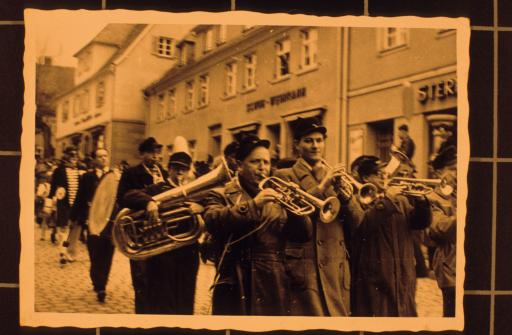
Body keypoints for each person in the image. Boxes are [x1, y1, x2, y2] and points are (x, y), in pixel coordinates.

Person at [204, 134, 310, 315]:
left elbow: (302, 235)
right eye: (255, 162)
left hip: (273, 281)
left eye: (267, 162)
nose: (263, 168)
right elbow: (213, 220)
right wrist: (253, 205)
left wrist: (296, 209)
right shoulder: (220, 194)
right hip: (235, 280)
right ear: (239, 165)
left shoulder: (279, 195)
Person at [274, 117, 363, 316]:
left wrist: (348, 200)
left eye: (319, 140)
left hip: (335, 268)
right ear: (297, 145)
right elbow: (293, 216)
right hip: (305, 268)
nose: (315, 145)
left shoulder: (337, 177)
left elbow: (358, 223)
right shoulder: (284, 175)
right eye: (308, 140)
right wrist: (323, 186)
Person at [117, 138, 201, 314]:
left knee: (185, 301)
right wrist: (149, 202)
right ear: (169, 169)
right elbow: (128, 195)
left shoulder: (196, 191)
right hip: (162, 256)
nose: (179, 173)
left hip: (187, 254)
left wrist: (201, 207)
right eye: (176, 168)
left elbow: (214, 207)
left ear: (189, 172)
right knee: (163, 302)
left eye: (183, 169)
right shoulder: (158, 189)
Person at [349, 155, 432, 317]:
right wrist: (388, 200)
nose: (384, 176)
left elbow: (419, 224)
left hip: (403, 276)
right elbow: (363, 227)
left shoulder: (400, 200)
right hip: (375, 280)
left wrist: (422, 202)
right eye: (378, 173)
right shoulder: (358, 200)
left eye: (385, 172)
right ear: (366, 177)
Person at [116, 137, 168, 313]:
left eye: (158, 152)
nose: (156, 156)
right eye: (152, 152)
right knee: (141, 278)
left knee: (159, 277)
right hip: (139, 231)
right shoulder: (130, 173)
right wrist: (151, 196)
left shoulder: (163, 172)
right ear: (142, 154)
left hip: (160, 231)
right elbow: (123, 198)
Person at [70, 148, 115, 303]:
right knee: (94, 253)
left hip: (109, 223)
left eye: (105, 156)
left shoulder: (114, 177)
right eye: (99, 156)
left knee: (108, 253)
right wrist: (74, 217)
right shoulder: (87, 177)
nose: (103, 158)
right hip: (92, 222)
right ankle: (97, 281)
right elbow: (79, 199)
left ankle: (102, 285)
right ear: (94, 159)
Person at [425, 142, 457, 317]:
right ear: (439, 173)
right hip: (450, 267)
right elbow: (438, 229)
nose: (459, 172)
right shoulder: (433, 197)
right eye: (453, 169)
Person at [48, 146, 81, 265]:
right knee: (64, 228)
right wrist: (49, 204)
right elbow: (52, 188)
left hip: (76, 205)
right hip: (64, 204)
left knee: (74, 230)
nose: (74, 157)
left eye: (75, 155)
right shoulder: (59, 170)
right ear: (65, 155)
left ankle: (69, 252)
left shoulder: (80, 170)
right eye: (71, 155)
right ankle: (63, 252)